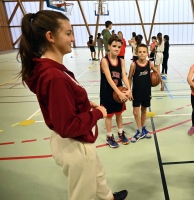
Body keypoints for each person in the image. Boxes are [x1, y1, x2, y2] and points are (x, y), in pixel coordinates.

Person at [18, 10, 127, 200]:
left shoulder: (52, 69)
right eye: (68, 33)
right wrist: (98, 113)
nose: (73, 38)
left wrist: (84, 104)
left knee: (97, 174)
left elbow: (64, 103)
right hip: (74, 145)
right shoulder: (54, 76)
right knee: (82, 194)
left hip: (77, 141)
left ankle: (108, 198)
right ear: (50, 36)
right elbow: (68, 125)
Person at [100, 36, 132, 148]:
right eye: (114, 46)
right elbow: (109, 78)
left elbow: (124, 76)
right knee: (108, 116)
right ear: (108, 46)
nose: (116, 49)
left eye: (119, 47)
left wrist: (129, 89)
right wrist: (119, 92)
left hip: (119, 92)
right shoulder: (104, 60)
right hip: (107, 92)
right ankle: (109, 136)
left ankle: (120, 132)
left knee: (119, 113)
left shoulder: (121, 60)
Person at [128, 44, 164, 142]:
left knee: (144, 111)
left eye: (144, 52)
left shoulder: (150, 64)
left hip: (146, 92)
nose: (142, 54)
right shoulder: (133, 65)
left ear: (147, 53)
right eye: (140, 52)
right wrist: (129, 91)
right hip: (136, 93)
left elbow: (157, 73)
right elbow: (129, 78)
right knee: (136, 112)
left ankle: (143, 128)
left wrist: (162, 83)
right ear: (136, 53)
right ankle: (139, 131)